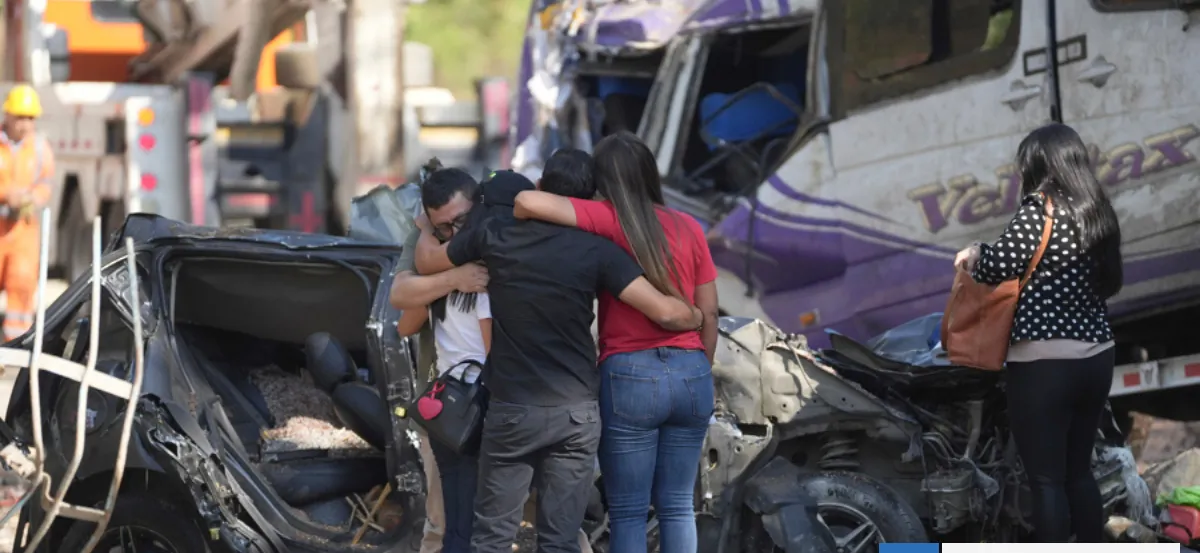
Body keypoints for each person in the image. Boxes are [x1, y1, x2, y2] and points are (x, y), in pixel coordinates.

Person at [415, 163, 701, 553]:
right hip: (577, 414)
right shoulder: (598, 249)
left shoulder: (493, 237)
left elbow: (428, 264)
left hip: (514, 410)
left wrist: (423, 230)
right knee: (561, 541)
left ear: (542, 190)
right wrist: (699, 316)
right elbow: (666, 312)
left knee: (492, 538)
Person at [513, 134, 719, 553]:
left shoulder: (607, 218)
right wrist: (701, 367)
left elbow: (529, 203)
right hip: (691, 371)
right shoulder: (689, 226)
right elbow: (710, 313)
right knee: (678, 506)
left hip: (629, 376)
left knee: (628, 511)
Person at [954, 123, 1123, 543]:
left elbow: (999, 266)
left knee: (1046, 480)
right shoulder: (1096, 208)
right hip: (1098, 355)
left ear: (1038, 165)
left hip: (1045, 363)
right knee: (1078, 472)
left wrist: (976, 252)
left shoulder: (1040, 209)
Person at [389, 159, 488, 553]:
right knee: (443, 525)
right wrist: (452, 280)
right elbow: (402, 308)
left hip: (507, 404)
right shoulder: (427, 245)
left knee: (552, 525)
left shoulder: (496, 234)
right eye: (444, 227)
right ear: (430, 224)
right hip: (447, 405)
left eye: (461, 221)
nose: (455, 233)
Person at [0, 84, 54, 341]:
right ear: (7, 115)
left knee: (21, 287)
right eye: (20, 117)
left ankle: (16, 347)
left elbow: (46, 183)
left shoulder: (40, 149)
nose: (25, 124)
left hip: (23, 230)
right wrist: (6, 194)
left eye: (30, 118)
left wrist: (33, 197)